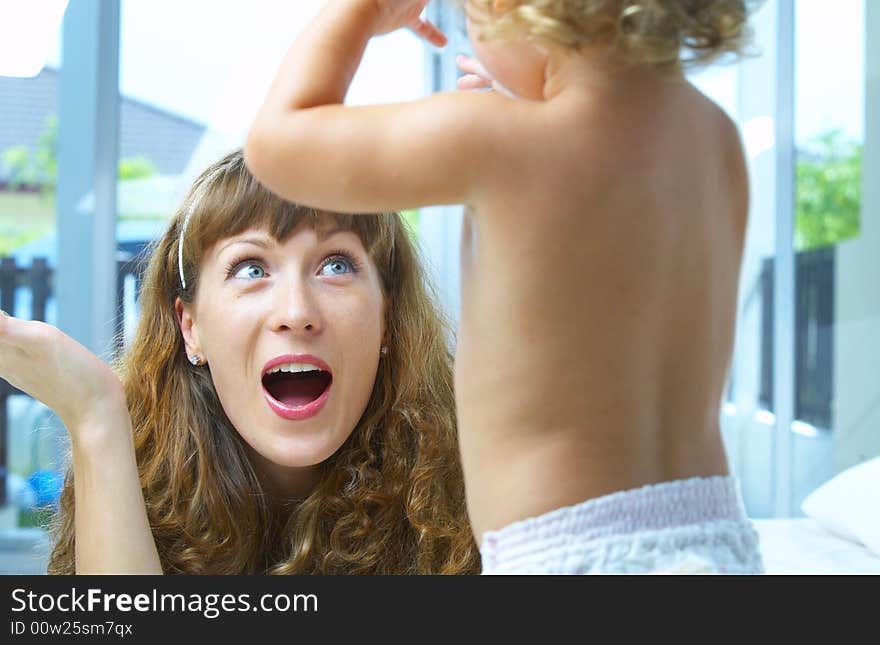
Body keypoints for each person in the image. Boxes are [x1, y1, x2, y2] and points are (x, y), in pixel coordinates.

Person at [243, 0, 765, 574]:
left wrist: (365, 11)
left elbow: (277, 141)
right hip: (716, 536)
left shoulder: (500, 141)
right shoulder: (714, 138)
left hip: (569, 552)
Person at [0, 149, 480, 574]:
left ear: (387, 318)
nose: (296, 313)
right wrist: (95, 417)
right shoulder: (126, 487)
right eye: (251, 268)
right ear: (191, 327)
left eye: (336, 264)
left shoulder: (476, 486)